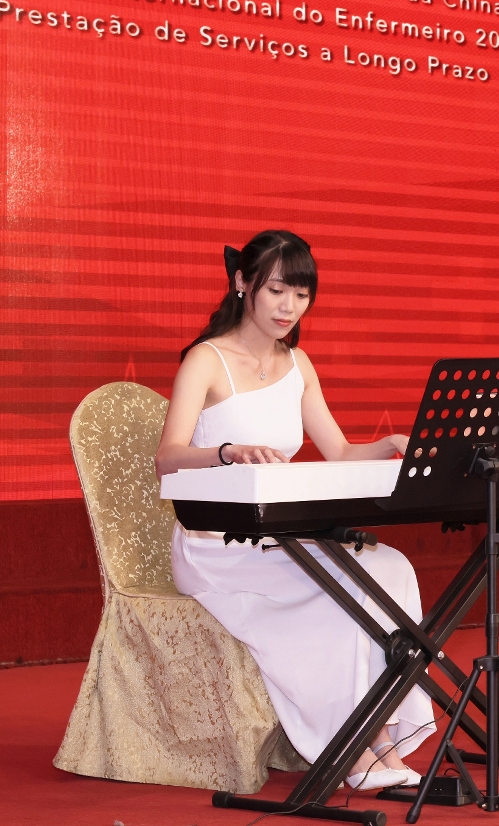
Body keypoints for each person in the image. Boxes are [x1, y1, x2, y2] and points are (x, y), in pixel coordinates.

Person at [156, 230, 434, 790]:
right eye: (277, 290)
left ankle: (379, 733)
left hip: (279, 537)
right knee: (344, 588)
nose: (289, 307)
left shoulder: (298, 363)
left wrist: (391, 443)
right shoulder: (206, 360)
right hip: (217, 546)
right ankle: (349, 746)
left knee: (391, 568)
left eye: (301, 295)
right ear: (243, 284)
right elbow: (167, 459)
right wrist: (228, 453)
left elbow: (341, 453)